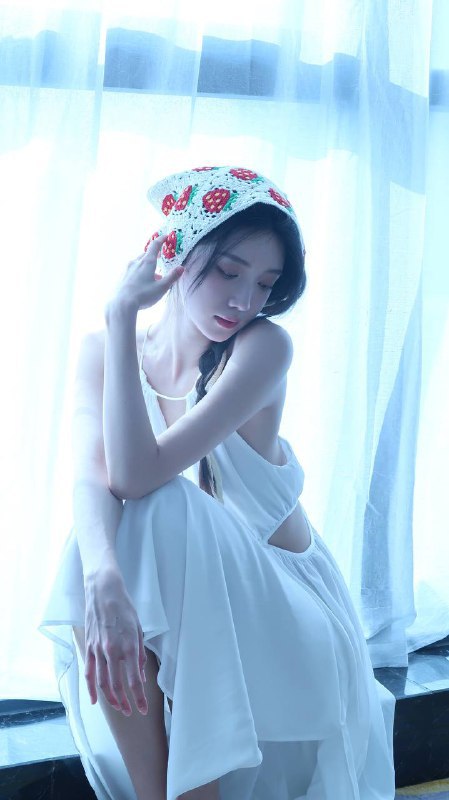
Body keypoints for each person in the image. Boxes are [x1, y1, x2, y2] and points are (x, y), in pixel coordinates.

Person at [38, 165, 396, 800]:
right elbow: (94, 480)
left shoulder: (263, 349)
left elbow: (136, 475)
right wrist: (102, 579)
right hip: (200, 616)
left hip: (287, 613)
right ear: (176, 255)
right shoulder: (106, 351)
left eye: (264, 283)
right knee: (96, 549)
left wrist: (121, 314)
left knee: (159, 507)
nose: (244, 301)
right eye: (229, 272)